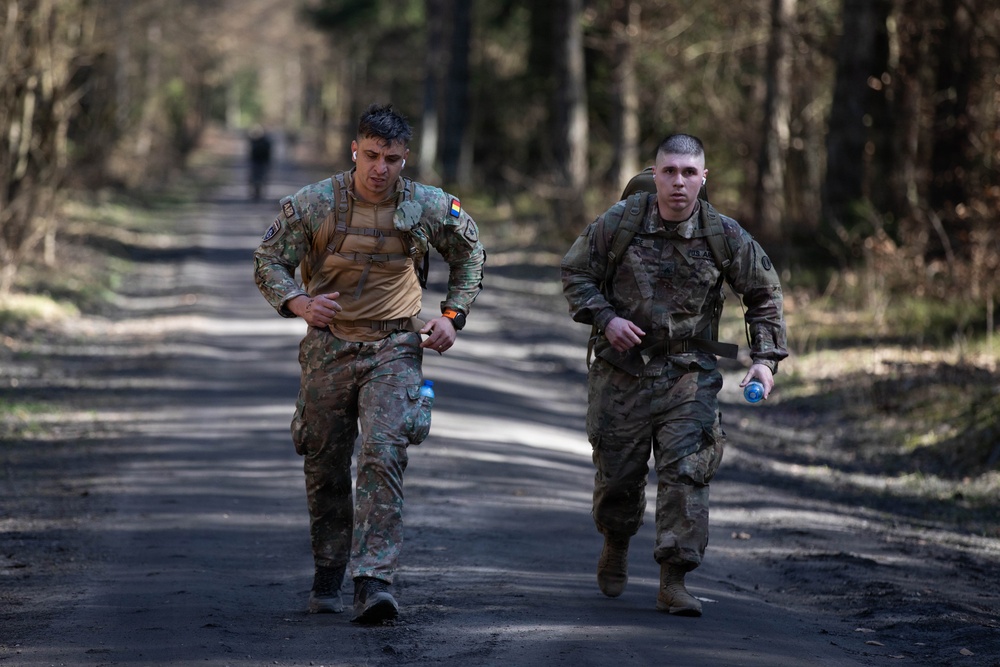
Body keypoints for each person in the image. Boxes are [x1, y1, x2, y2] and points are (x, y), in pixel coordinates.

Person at [252, 104, 485, 624]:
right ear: (355, 150)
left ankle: (373, 580)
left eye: (393, 159)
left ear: (406, 159)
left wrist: (452, 315)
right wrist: (298, 303)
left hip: (395, 347)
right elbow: (268, 259)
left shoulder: (427, 206)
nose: (381, 168)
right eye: (373, 155)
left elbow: (470, 253)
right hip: (329, 346)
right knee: (325, 462)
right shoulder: (314, 204)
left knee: (382, 454)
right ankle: (329, 570)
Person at [560, 133, 787, 617]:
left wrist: (764, 361)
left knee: (688, 475)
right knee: (618, 479)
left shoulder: (723, 234)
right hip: (622, 373)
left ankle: (674, 579)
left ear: (704, 178)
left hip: (690, 376)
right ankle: (616, 542)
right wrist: (606, 319)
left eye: (689, 173)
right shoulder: (621, 221)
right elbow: (575, 272)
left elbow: (764, 294)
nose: (678, 182)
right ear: (654, 174)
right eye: (669, 172)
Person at [248, 125, 272, 201]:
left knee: (259, 178)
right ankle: (256, 193)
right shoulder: (256, 140)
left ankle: (258, 193)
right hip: (257, 162)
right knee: (256, 178)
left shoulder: (261, 141)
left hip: (261, 162)